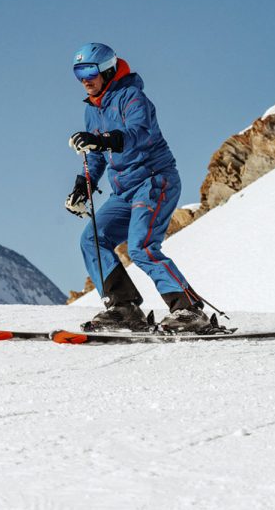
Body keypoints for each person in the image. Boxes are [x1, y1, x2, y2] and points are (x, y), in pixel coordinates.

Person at [63, 43, 208, 333]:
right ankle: (123, 307)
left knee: (141, 246)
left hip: (154, 180)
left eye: (90, 71)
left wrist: (103, 140)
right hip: (124, 191)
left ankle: (189, 310)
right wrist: (83, 186)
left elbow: (139, 133)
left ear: (107, 69)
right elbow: (96, 155)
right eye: (78, 72)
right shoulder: (92, 110)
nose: (85, 79)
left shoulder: (132, 97)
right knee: (92, 239)